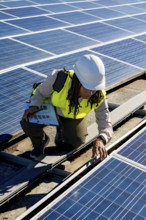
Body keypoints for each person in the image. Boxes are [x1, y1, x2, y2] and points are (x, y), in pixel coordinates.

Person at [20, 54, 113, 160]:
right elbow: (40, 92)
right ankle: (41, 142)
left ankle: (62, 133)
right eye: (87, 88)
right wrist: (34, 105)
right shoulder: (59, 78)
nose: (91, 92)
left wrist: (102, 139)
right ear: (78, 81)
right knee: (27, 121)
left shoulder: (99, 94)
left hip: (72, 117)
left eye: (94, 88)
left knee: (77, 142)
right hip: (53, 111)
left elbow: (106, 123)